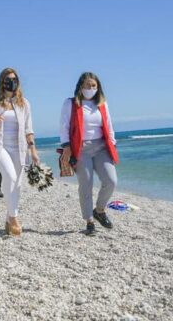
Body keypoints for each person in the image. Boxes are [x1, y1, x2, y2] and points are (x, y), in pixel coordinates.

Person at [59, 72, 119, 236]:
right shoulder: (70, 104)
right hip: (81, 149)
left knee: (111, 181)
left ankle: (99, 210)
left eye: (93, 86)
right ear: (80, 86)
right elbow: (63, 127)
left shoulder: (102, 104)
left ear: (98, 87)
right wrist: (66, 146)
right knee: (86, 184)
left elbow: (109, 125)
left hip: (101, 147)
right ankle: (89, 221)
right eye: (87, 85)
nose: (90, 88)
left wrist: (112, 145)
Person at [0, 68, 40, 237]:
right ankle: (14, 218)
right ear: (2, 82)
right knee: (10, 177)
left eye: (14, 79)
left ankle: (8, 219)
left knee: (17, 185)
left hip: (19, 148)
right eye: (8, 79)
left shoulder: (24, 103)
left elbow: (29, 130)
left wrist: (33, 151)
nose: (12, 82)